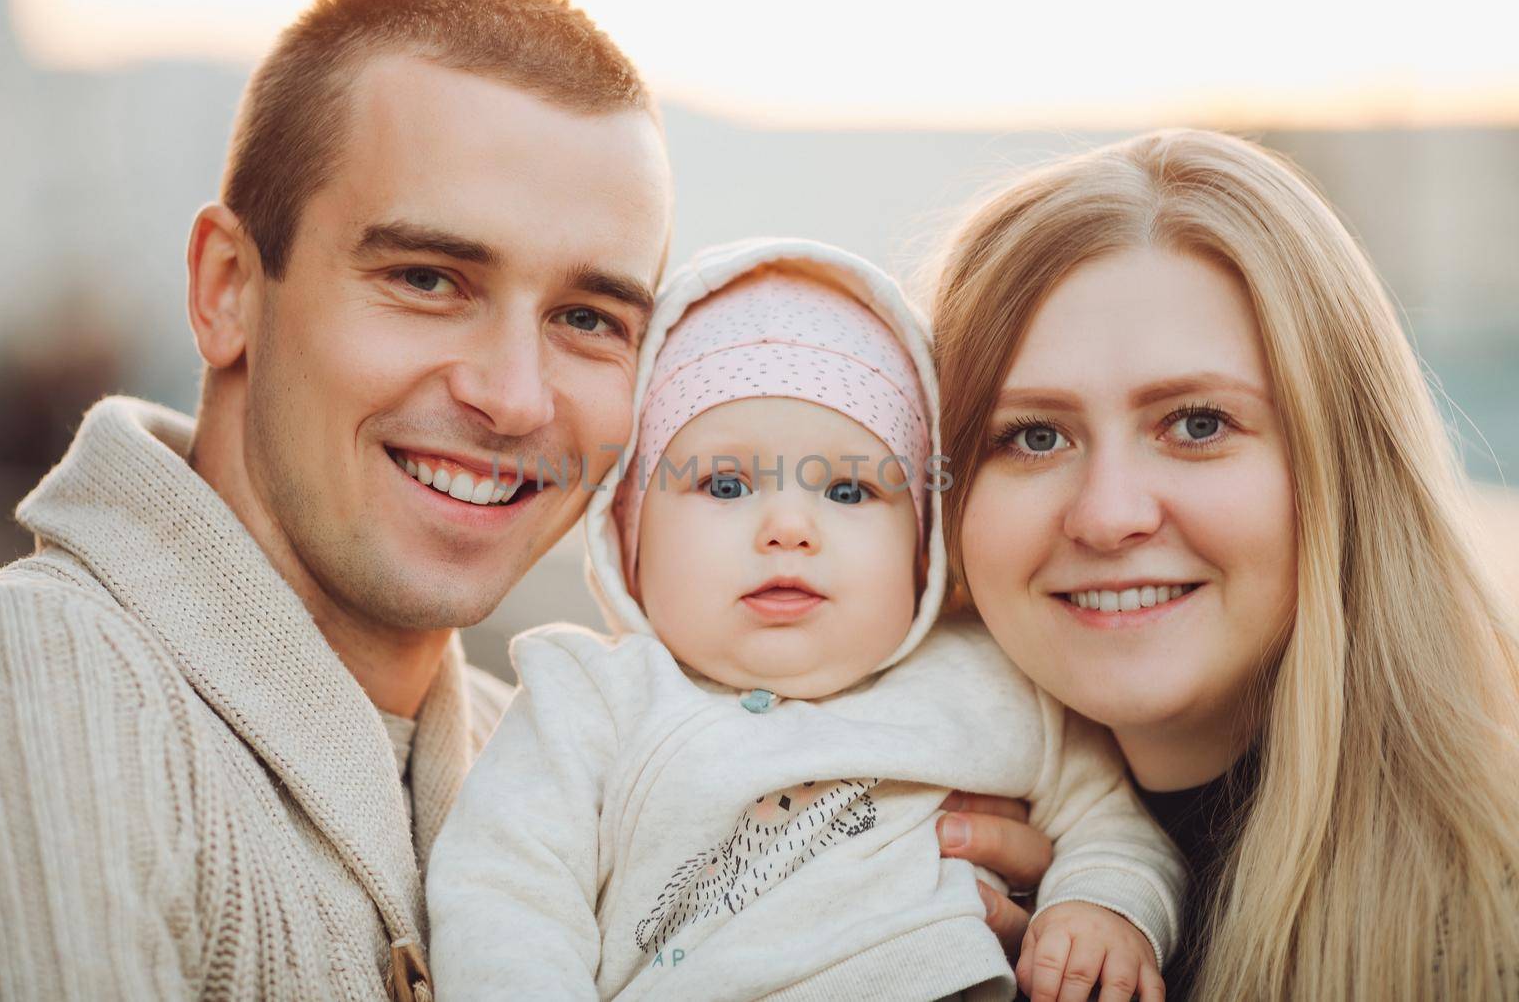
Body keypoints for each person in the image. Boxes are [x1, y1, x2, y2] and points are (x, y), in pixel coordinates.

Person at [0, 0, 671, 1000]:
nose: (514, 396)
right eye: (426, 278)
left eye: (589, 317)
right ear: (228, 288)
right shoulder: (36, 673)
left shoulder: (559, 769)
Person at [426, 239, 1185, 1001]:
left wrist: (1100, 903)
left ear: (923, 550)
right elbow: (505, 892)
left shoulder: (996, 679)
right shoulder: (591, 700)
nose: (788, 527)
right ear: (630, 531)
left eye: (850, 492)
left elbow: (1112, 823)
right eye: (725, 484)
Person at [928, 129, 1519, 999]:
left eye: (1197, 423)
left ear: (1342, 468)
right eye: (1033, 436)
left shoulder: (1488, 925)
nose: (1107, 514)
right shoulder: (877, 865)